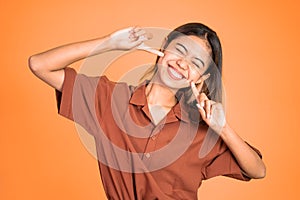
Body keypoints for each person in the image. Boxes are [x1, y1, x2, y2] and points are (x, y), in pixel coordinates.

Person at [29, 22, 266, 200]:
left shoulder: (202, 129)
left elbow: (258, 170)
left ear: (201, 77)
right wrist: (108, 43)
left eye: (196, 62)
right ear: (163, 49)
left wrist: (222, 128)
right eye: (180, 50)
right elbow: (40, 65)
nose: (183, 64)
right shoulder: (110, 99)